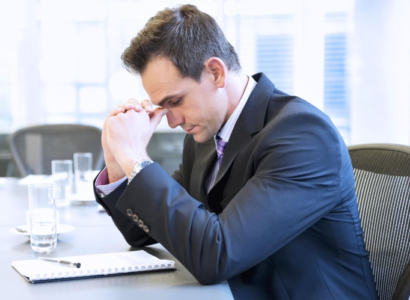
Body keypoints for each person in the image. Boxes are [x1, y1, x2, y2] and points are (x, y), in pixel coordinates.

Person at [94, 4, 378, 300]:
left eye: (175, 101)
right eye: (163, 108)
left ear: (215, 72)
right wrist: (116, 162)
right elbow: (142, 233)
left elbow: (216, 256)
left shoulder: (303, 134)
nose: (173, 121)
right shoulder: (204, 136)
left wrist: (136, 158)